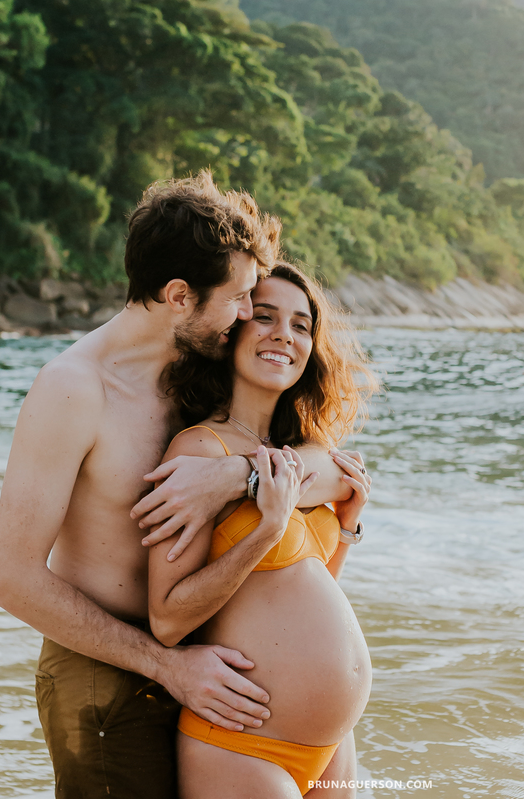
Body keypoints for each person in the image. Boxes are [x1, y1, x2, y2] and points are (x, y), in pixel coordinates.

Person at [0, 173, 354, 798]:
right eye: (239, 298)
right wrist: (165, 664)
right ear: (180, 295)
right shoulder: (75, 389)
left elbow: (323, 463)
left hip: (204, 662)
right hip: (105, 673)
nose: (246, 315)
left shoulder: (195, 370)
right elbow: (12, 578)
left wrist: (233, 476)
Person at [148, 262, 377, 798]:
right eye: (266, 317)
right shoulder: (199, 453)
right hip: (243, 743)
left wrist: (345, 531)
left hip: (331, 747)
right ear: (233, 333)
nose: (284, 335)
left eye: (301, 325)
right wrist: (264, 531)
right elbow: (167, 618)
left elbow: (295, 592)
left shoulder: (305, 454)